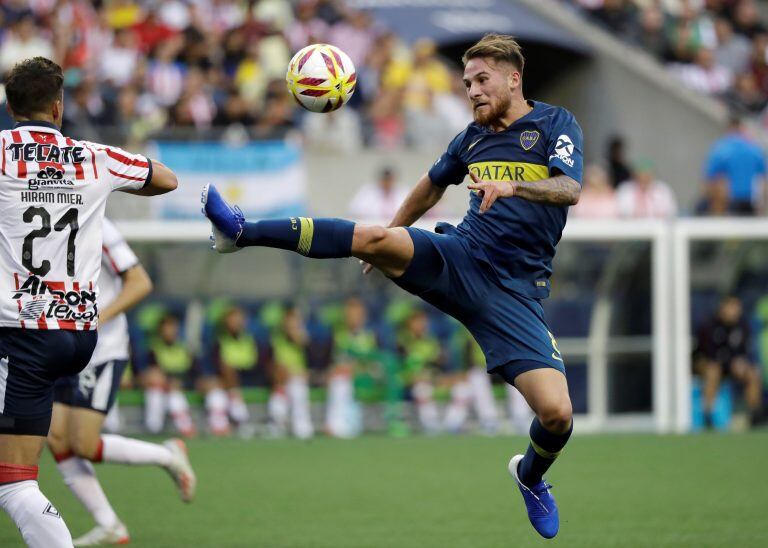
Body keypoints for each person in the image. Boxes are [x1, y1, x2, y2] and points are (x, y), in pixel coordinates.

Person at [203, 33, 581, 539]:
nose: (472, 91)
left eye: (482, 80)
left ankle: (530, 477)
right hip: (462, 256)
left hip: (516, 291)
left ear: (514, 78)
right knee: (370, 236)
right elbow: (431, 185)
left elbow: (568, 188)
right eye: (467, 82)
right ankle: (240, 232)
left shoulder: (556, 123)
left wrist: (512, 186)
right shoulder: (470, 137)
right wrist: (393, 233)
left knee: (556, 415)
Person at [0, 57, 177, 547]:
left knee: (14, 480)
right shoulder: (92, 156)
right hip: (79, 334)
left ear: (9, 105)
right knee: (58, 446)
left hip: (22, 332)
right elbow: (167, 180)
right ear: (57, 107)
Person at [47, 219, 196, 546]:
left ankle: (167, 455)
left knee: (83, 443)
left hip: (100, 349)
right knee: (56, 437)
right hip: (59, 344)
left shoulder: (96, 223)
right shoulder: (39, 212)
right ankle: (109, 524)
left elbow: (140, 283)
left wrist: (92, 320)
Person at [694, 296, 766, 428]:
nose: (736, 311)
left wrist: (740, 363)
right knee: (713, 370)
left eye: (737, 308)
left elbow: (744, 351)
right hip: (708, 363)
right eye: (732, 307)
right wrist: (730, 361)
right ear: (723, 308)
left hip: (731, 365)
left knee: (752, 373)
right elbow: (708, 353)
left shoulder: (742, 325)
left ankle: (755, 414)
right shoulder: (709, 325)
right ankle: (707, 414)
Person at [703, 115, 767, 215]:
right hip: (751, 201)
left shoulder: (721, 148)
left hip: (729, 201)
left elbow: (710, 179)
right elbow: (763, 178)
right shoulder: (754, 148)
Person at [212, 305, 259, 436]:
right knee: (224, 377)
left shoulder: (250, 339)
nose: (236, 323)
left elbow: (255, 362)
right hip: (228, 377)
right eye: (232, 320)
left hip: (248, 375)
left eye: (239, 319)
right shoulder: (219, 341)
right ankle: (240, 416)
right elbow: (216, 364)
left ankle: (239, 415)